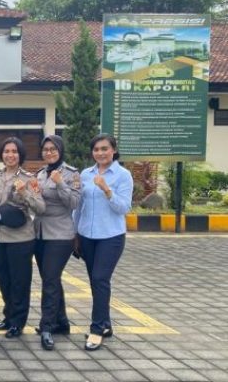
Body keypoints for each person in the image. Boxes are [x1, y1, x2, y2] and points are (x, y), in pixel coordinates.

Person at [74, 134, 133, 351]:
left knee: (100, 279)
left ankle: (97, 329)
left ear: (114, 150)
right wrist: (74, 233)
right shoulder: (86, 174)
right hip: (87, 237)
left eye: (105, 148)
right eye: (97, 149)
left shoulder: (123, 175)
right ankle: (106, 324)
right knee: (96, 282)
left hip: (111, 237)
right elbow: (78, 207)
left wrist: (107, 190)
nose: (100, 153)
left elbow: (124, 208)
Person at [0, 137, 45, 339]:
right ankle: (8, 317)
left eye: (14, 152)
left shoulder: (29, 178)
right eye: (6, 151)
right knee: (3, 280)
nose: (10, 155)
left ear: (20, 155)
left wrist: (24, 192)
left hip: (20, 239)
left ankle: (18, 322)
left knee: (19, 281)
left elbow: (40, 207)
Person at [34, 135, 81, 350]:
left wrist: (60, 183)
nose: (49, 152)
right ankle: (61, 322)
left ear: (60, 150)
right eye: (46, 149)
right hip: (40, 233)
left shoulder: (71, 174)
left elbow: (74, 203)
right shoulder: (40, 174)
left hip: (60, 235)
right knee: (50, 279)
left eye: (53, 149)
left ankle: (47, 326)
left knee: (50, 280)